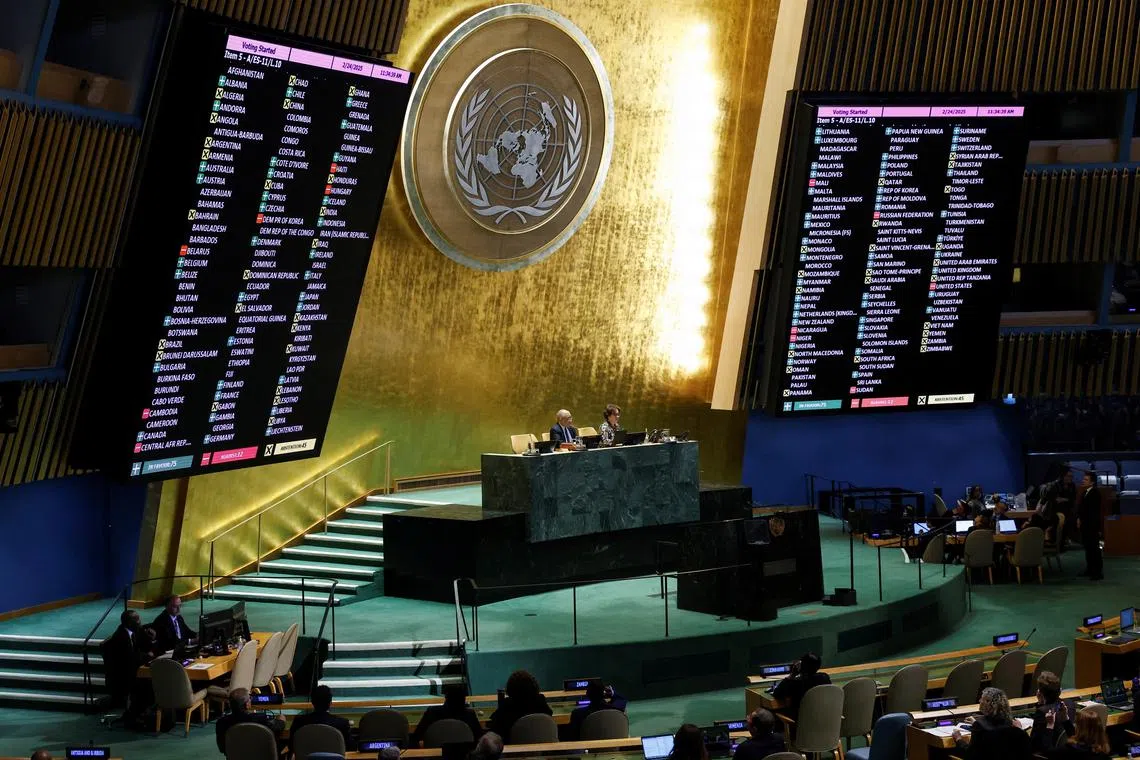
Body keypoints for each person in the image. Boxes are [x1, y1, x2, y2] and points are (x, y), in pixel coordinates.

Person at [102, 609, 159, 726]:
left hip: (132, 670)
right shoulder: (120, 637)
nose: (140, 622)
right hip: (122, 676)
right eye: (137, 620)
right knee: (147, 683)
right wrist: (146, 656)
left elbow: (146, 647)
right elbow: (130, 658)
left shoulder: (136, 631)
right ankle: (137, 714)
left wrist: (152, 639)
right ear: (128, 623)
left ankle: (142, 712)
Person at [952, 687, 1031, 760]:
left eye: (981, 699)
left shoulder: (980, 725)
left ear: (988, 702)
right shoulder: (1011, 723)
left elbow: (970, 754)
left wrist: (958, 739)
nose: (979, 701)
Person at [487, 670, 552, 740]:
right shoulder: (540, 701)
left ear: (510, 688)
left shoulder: (507, 705)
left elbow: (493, 724)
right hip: (543, 747)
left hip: (514, 749)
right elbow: (549, 714)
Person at [410, 683, 483, 746]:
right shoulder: (470, 714)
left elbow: (416, 737)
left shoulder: (432, 712)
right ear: (464, 699)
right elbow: (480, 737)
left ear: (446, 698)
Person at [215, 688, 284, 754]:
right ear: (247, 705)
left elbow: (222, 748)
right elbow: (278, 728)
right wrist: (281, 719)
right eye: (250, 698)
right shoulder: (260, 719)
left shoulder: (221, 723)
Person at [289, 685, 351, 754]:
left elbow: (291, 746)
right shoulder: (342, 724)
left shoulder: (298, 722)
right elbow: (351, 747)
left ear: (312, 702)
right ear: (330, 703)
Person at [771, 653, 831, 720]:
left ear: (801, 666)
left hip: (801, 726)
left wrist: (792, 675)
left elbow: (776, 694)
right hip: (822, 722)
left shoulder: (795, 683)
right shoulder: (824, 678)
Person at [1030, 671, 1073, 753]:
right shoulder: (1069, 705)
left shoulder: (1042, 712)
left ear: (1040, 693)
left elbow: (1034, 743)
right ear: (1060, 691)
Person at [1047, 706, 1111, 759]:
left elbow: (1048, 752)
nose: (1074, 725)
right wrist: (1065, 718)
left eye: (1076, 724)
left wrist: (1050, 725)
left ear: (1080, 729)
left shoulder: (1070, 749)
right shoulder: (1103, 749)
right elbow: (1078, 739)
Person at [1077, 471, 1103, 581]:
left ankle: (1097, 572)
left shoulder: (1095, 494)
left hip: (1092, 525)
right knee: (1088, 548)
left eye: (1086, 480)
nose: (1083, 481)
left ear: (1092, 482)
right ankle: (1090, 569)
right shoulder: (1084, 493)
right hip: (1086, 525)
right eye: (1083, 479)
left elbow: (1093, 512)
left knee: (1094, 549)